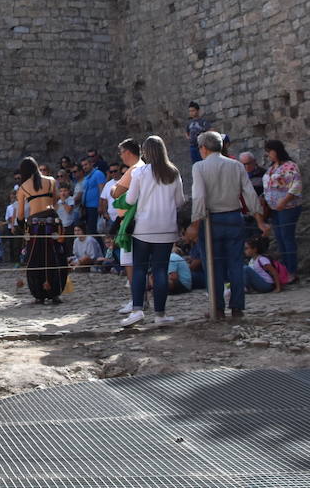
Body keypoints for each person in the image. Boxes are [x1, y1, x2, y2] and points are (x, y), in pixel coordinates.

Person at [185, 131, 268, 320]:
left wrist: (195, 224)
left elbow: (199, 196)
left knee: (212, 265)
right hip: (234, 217)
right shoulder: (236, 165)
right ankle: (237, 307)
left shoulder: (199, 167)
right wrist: (260, 221)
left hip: (211, 220)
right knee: (236, 264)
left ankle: (218, 307)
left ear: (203, 148)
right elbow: (249, 193)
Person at [115, 136, 186, 327]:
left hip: (144, 228)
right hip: (166, 228)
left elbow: (129, 200)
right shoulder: (173, 172)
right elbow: (180, 201)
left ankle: (137, 310)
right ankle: (160, 314)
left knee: (139, 269)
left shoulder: (141, 173)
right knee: (160, 270)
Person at [14, 157, 66, 305]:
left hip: (35, 227)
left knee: (34, 260)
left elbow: (21, 214)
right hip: (51, 224)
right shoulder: (51, 180)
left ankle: (39, 294)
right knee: (54, 257)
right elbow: (55, 201)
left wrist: (20, 225)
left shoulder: (23, 187)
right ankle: (54, 292)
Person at [261, 140, 304, 279]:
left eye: (270, 151)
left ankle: (292, 270)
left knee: (287, 237)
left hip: (288, 207)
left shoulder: (290, 166)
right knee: (280, 239)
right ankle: (285, 269)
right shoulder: (272, 167)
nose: (268, 154)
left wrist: (284, 201)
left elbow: (296, 185)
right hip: (274, 209)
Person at [185, 101, 213, 171]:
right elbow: (187, 132)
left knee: (205, 165)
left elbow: (211, 131)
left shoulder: (203, 121)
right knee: (196, 166)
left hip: (202, 146)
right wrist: (189, 138)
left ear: (197, 111)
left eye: (193, 111)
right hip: (193, 147)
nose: (191, 113)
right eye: (190, 111)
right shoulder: (189, 123)